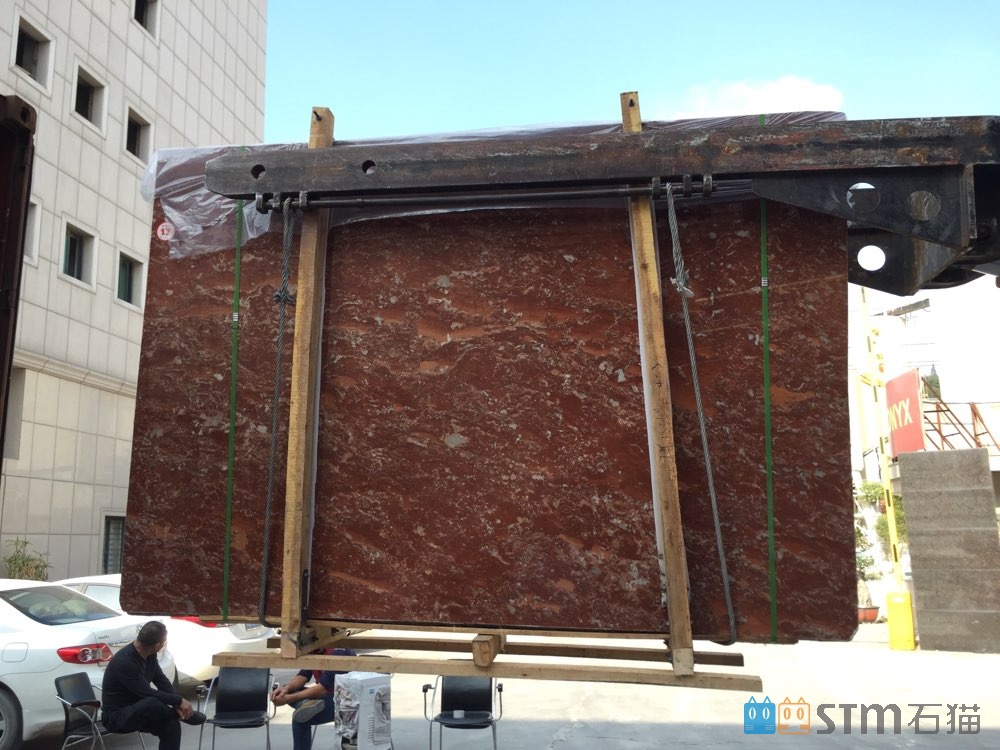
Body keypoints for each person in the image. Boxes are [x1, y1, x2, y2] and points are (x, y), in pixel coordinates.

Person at [101, 620, 206, 750]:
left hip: (141, 711)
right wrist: (179, 700)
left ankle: (180, 714)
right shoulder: (125, 662)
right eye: (164, 642)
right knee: (151, 702)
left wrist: (176, 704)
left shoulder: (150, 654)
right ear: (157, 645)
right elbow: (146, 692)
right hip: (117, 717)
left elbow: (161, 680)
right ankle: (184, 715)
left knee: (171, 726)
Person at [271, 647, 356, 750]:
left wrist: (288, 699)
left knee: (301, 719)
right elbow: (303, 675)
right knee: (289, 690)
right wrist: (286, 689)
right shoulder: (315, 649)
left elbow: (322, 689)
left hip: (345, 702)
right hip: (327, 695)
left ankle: (304, 704)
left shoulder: (339, 652)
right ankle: (304, 703)